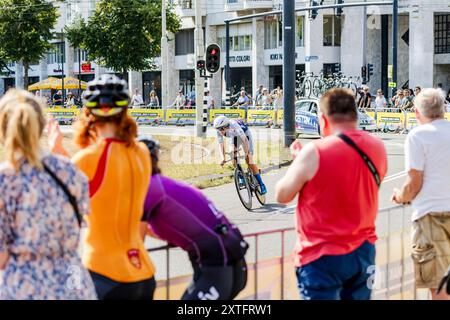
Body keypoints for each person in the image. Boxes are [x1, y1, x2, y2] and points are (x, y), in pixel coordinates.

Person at [48, 75, 156, 300]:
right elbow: (104, 177)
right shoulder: (141, 152)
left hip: (103, 273)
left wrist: (55, 147)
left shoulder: (88, 159)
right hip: (142, 272)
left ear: (89, 114)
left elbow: (73, 182)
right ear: (124, 112)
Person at [275, 88, 388, 300]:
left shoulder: (314, 152)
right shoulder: (377, 147)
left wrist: (298, 162)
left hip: (321, 254)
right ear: (355, 115)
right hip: (363, 251)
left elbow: (282, 195)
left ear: (323, 119)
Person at [0, 89, 97, 300]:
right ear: (41, 125)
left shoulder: (5, 180)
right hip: (75, 285)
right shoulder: (70, 171)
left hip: (25, 288)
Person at [139, 137, 248, 300]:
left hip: (217, 263)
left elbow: (135, 239)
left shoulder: (147, 188)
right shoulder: (164, 184)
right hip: (230, 256)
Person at [392, 88, 450, 300]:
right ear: (443, 109)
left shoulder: (418, 135)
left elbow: (414, 183)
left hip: (430, 217)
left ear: (416, 112)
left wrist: (400, 196)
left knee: (438, 285)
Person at [213, 115, 267, 195]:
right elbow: (221, 146)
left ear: (226, 125)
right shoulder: (219, 131)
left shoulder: (234, 125)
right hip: (234, 137)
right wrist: (222, 158)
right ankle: (240, 176)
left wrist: (246, 152)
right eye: (218, 129)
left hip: (245, 135)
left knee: (249, 160)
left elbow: (244, 140)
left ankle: (261, 184)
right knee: (232, 154)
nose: (219, 131)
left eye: (221, 129)